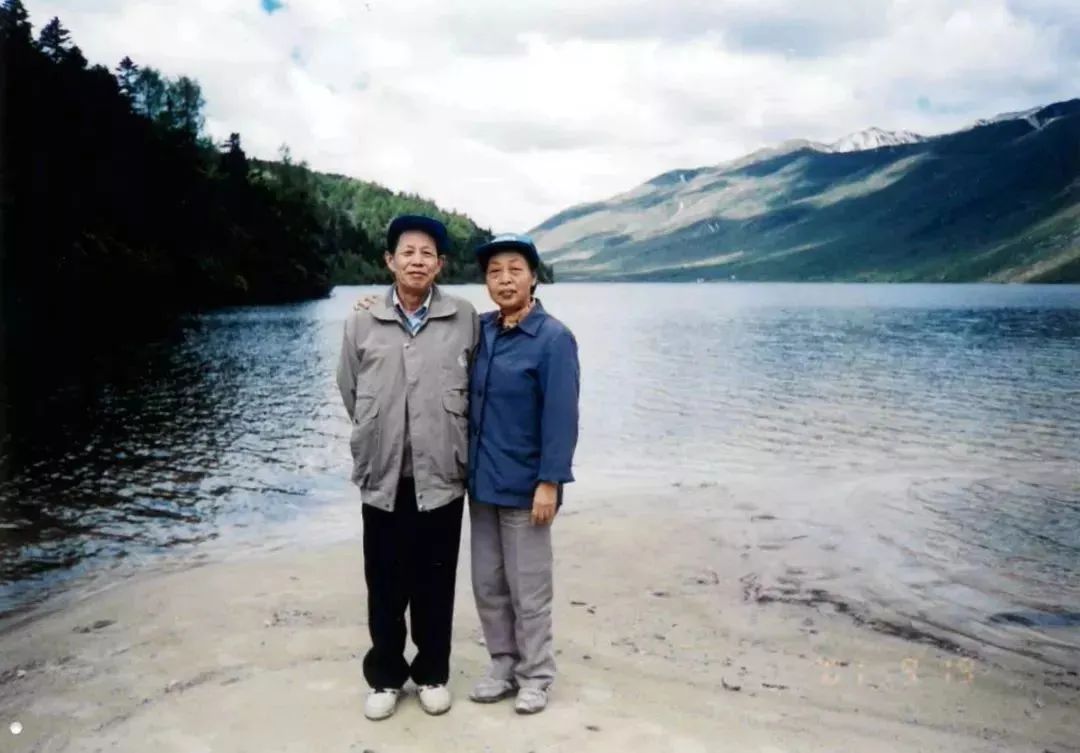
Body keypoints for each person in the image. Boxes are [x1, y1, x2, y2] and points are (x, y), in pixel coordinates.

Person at [336, 214, 479, 721]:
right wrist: (380, 432)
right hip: (383, 475)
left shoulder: (464, 317)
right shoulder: (361, 320)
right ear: (389, 261)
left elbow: (478, 383)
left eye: (427, 254)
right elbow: (350, 388)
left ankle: (433, 673)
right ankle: (385, 677)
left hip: (442, 475)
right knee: (384, 583)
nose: (417, 261)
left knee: (435, 583)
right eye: (407, 252)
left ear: (440, 264)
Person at [466, 233, 580, 714]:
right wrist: (372, 306)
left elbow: (561, 417)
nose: (505, 279)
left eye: (515, 269)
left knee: (529, 588)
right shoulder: (480, 330)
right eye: (495, 272)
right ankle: (502, 664)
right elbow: (428, 323)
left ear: (534, 277)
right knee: (488, 585)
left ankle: (535, 675)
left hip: (528, 487)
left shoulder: (553, 338)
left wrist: (550, 482)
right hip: (481, 485)